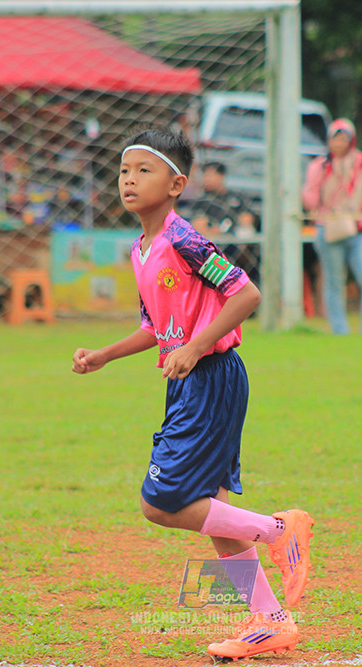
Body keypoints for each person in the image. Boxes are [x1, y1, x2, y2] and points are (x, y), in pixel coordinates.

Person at [70, 127, 313, 659]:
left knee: (159, 504)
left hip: (212, 377)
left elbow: (245, 293)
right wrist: (106, 354)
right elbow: (158, 327)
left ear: (176, 183)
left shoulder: (183, 238)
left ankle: (279, 529)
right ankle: (271, 621)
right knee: (213, 514)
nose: (129, 180)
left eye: (144, 170)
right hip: (191, 381)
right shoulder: (142, 248)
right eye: (124, 171)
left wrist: (197, 346)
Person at [302, 118, 362, 336]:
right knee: (334, 281)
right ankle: (339, 329)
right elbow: (310, 199)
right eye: (334, 139)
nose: (338, 143)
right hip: (329, 229)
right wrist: (322, 171)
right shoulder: (319, 165)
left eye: (343, 139)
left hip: (358, 229)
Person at [187, 161, 257, 238]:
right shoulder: (202, 201)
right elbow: (199, 226)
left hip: (235, 236)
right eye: (205, 176)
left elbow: (247, 219)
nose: (206, 180)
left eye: (210, 175)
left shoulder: (236, 196)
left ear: (221, 176)